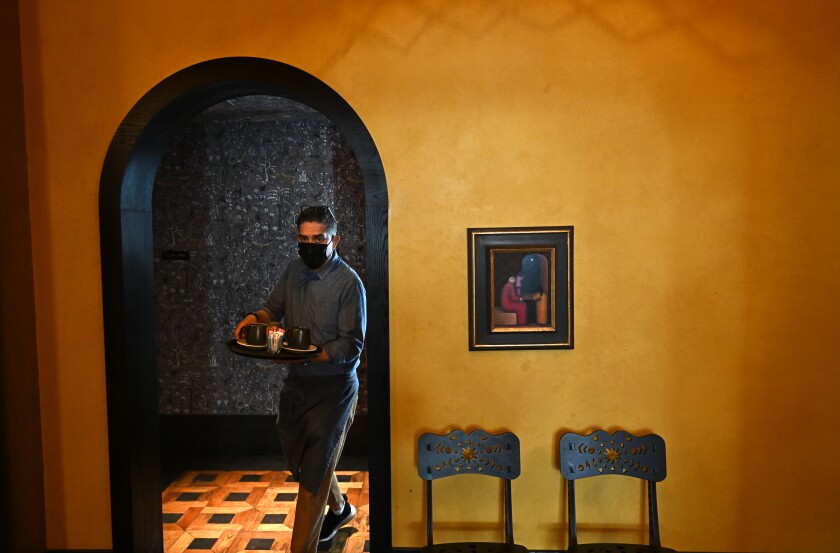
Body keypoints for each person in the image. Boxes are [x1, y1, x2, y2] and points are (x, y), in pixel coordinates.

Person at [235, 206, 366, 553]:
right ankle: (341, 509)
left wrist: (308, 352)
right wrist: (252, 318)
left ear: (334, 240)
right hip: (297, 386)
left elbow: (351, 345)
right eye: (303, 239)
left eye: (318, 239)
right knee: (303, 463)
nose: (310, 245)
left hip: (335, 389)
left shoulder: (349, 283)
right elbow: (272, 309)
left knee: (311, 482)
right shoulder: (293, 271)